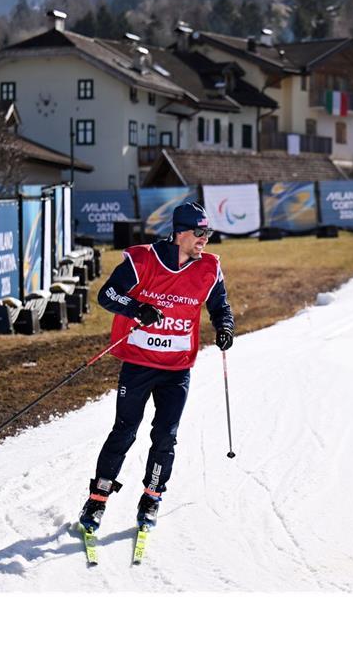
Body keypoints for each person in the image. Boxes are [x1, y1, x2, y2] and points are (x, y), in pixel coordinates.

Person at [79, 202, 234, 533]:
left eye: (208, 233)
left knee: (166, 436)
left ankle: (151, 499)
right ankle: (97, 499)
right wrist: (138, 309)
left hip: (177, 369)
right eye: (199, 233)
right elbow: (107, 295)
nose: (205, 240)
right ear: (179, 233)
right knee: (124, 431)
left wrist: (225, 327)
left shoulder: (209, 268)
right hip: (139, 364)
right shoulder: (143, 260)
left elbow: (220, 306)